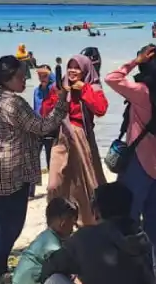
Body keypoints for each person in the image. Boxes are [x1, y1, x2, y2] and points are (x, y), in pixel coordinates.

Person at [0, 55, 69, 279]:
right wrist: (62, 102)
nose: (24, 80)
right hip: (15, 167)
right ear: (8, 78)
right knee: (11, 222)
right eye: (21, 77)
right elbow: (43, 126)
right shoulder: (14, 103)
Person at [106, 45, 156, 262]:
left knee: (131, 216)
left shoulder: (141, 91)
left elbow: (112, 78)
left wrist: (134, 60)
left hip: (139, 161)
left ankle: (130, 260)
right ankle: (152, 259)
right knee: (153, 219)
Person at [43, 55, 110, 226]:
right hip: (61, 136)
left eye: (77, 67)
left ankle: (84, 223)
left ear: (86, 70)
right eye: (70, 67)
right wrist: (59, 94)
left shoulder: (92, 87)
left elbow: (101, 109)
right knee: (54, 184)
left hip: (82, 137)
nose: (72, 70)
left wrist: (85, 90)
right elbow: (45, 112)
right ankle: (57, 219)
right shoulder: (59, 86)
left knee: (83, 186)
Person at [33, 66, 58, 176]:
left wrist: (49, 73)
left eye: (45, 75)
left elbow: (60, 82)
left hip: (50, 129)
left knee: (50, 160)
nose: (42, 78)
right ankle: (30, 192)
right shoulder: (36, 91)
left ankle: (52, 189)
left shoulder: (54, 88)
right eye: (40, 75)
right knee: (32, 160)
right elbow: (35, 109)